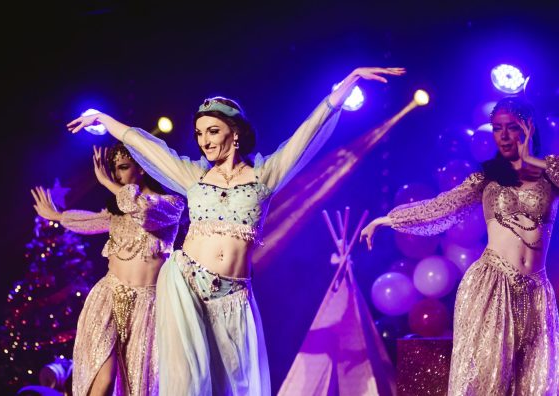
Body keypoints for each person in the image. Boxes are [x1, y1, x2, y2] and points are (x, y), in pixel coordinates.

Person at [66, 67, 404, 395]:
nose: (204, 141)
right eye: (199, 134)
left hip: (234, 297)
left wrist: (348, 83)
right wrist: (106, 121)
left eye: (212, 131)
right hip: (186, 284)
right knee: (190, 382)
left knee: (231, 386)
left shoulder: (264, 176)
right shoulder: (194, 176)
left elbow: (307, 134)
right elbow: (150, 148)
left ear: (235, 132)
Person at [360, 96, 559, 394]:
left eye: (511, 127)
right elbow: (441, 206)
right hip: (492, 284)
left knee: (532, 384)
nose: (502, 135)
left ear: (528, 127)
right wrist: (387, 220)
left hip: (536, 291)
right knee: (487, 381)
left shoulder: (550, 173)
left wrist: (530, 158)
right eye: (496, 128)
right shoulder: (487, 178)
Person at [31, 144, 185, 395]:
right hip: (108, 299)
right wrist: (57, 216)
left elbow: (143, 212)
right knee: (102, 379)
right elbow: (90, 220)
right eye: (114, 171)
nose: (118, 175)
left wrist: (106, 182)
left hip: (147, 308)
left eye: (123, 168)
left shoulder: (170, 205)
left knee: (136, 386)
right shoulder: (117, 213)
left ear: (142, 168)